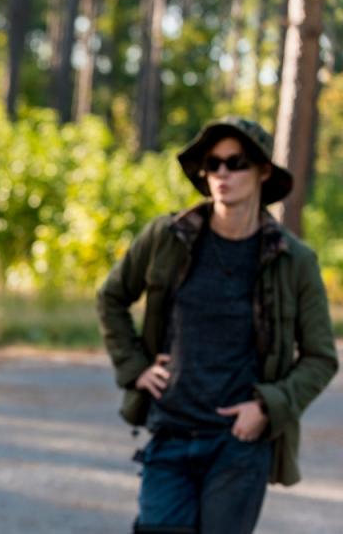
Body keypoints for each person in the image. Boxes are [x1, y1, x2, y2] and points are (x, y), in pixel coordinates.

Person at [97, 116, 339, 534]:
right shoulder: (168, 236)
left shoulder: (293, 260)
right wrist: (136, 368)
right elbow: (111, 297)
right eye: (213, 163)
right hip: (170, 432)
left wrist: (267, 406)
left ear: (263, 170)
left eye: (236, 162)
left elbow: (320, 358)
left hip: (239, 444)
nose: (222, 173)